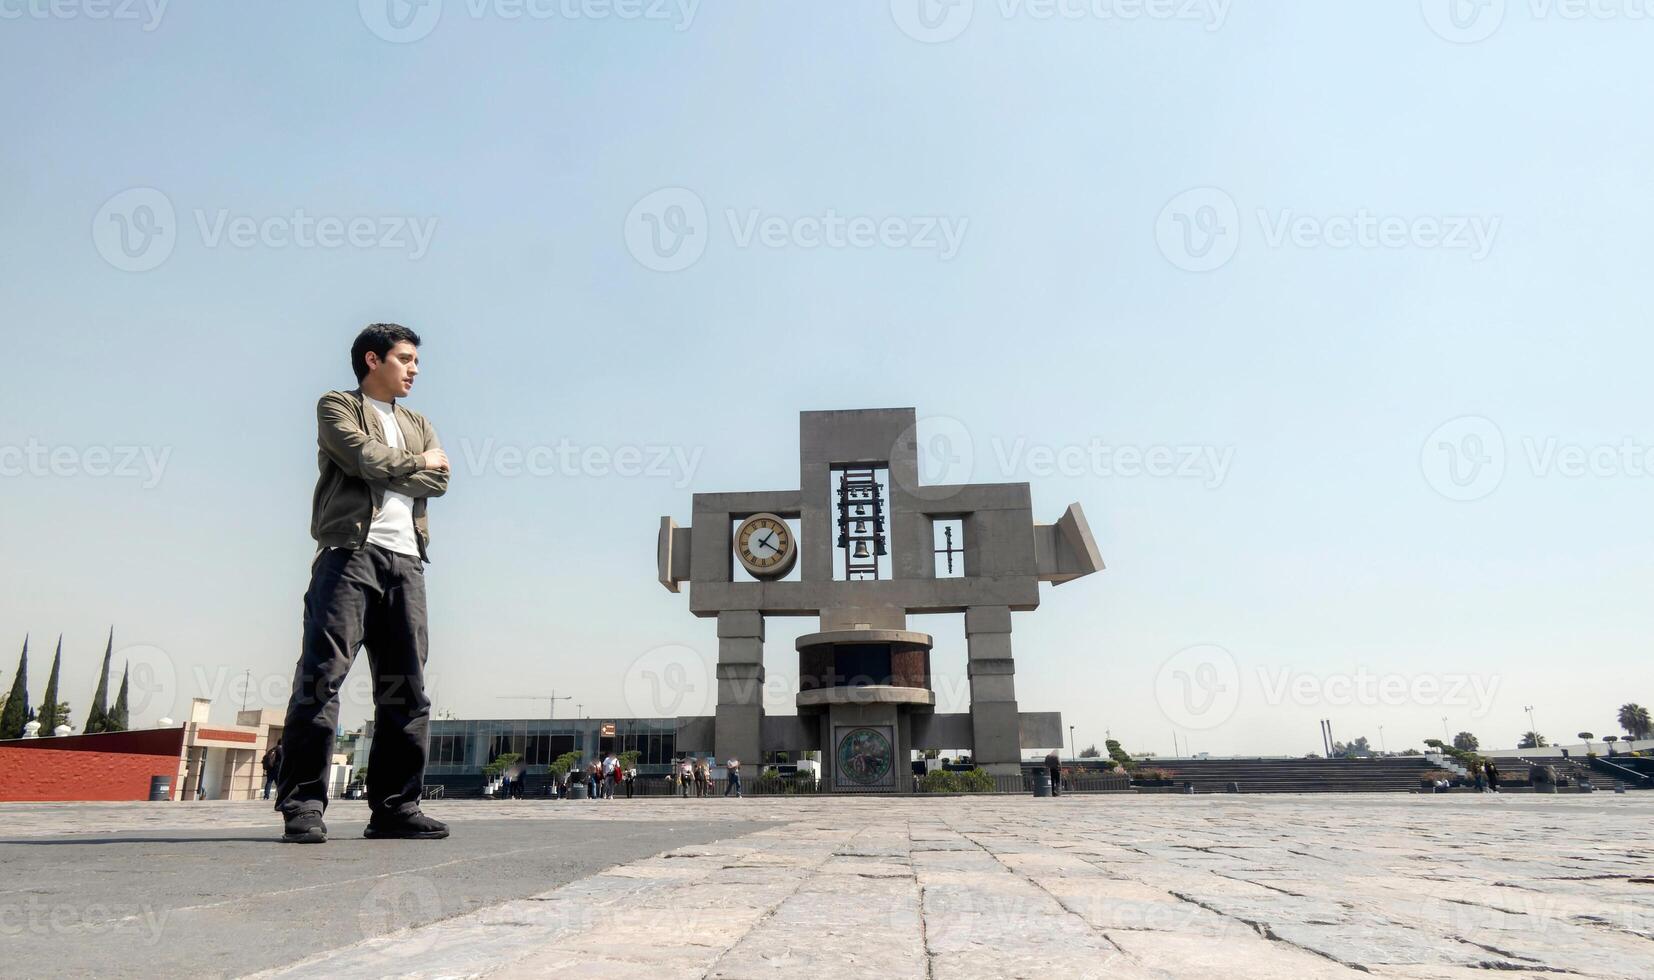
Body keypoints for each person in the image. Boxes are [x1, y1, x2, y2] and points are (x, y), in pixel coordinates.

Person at [275, 324, 451, 845]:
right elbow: (360, 458)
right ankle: (303, 805)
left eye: (416, 360)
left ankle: (396, 808)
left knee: (407, 689)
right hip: (348, 557)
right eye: (405, 359)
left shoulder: (417, 421)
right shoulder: (336, 406)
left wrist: (404, 467)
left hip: (407, 564)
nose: (414, 369)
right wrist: (415, 464)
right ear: (373, 360)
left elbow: (439, 481)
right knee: (321, 677)